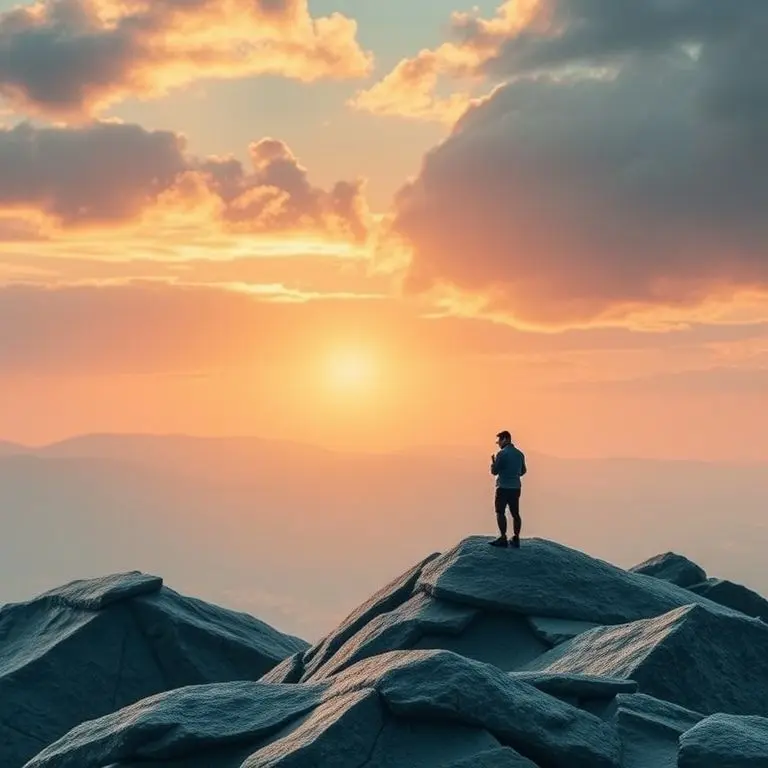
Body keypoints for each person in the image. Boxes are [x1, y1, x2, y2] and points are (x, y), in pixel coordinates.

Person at [489, 430, 527, 548]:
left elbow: (494, 471)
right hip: (515, 487)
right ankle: (516, 538)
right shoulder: (519, 454)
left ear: (505, 439)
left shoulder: (502, 454)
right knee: (515, 513)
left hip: (503, 487)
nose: (498, 444)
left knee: (500, 512)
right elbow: (523, 471)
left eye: (499, 441)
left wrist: (493, 464)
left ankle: (503, 537)